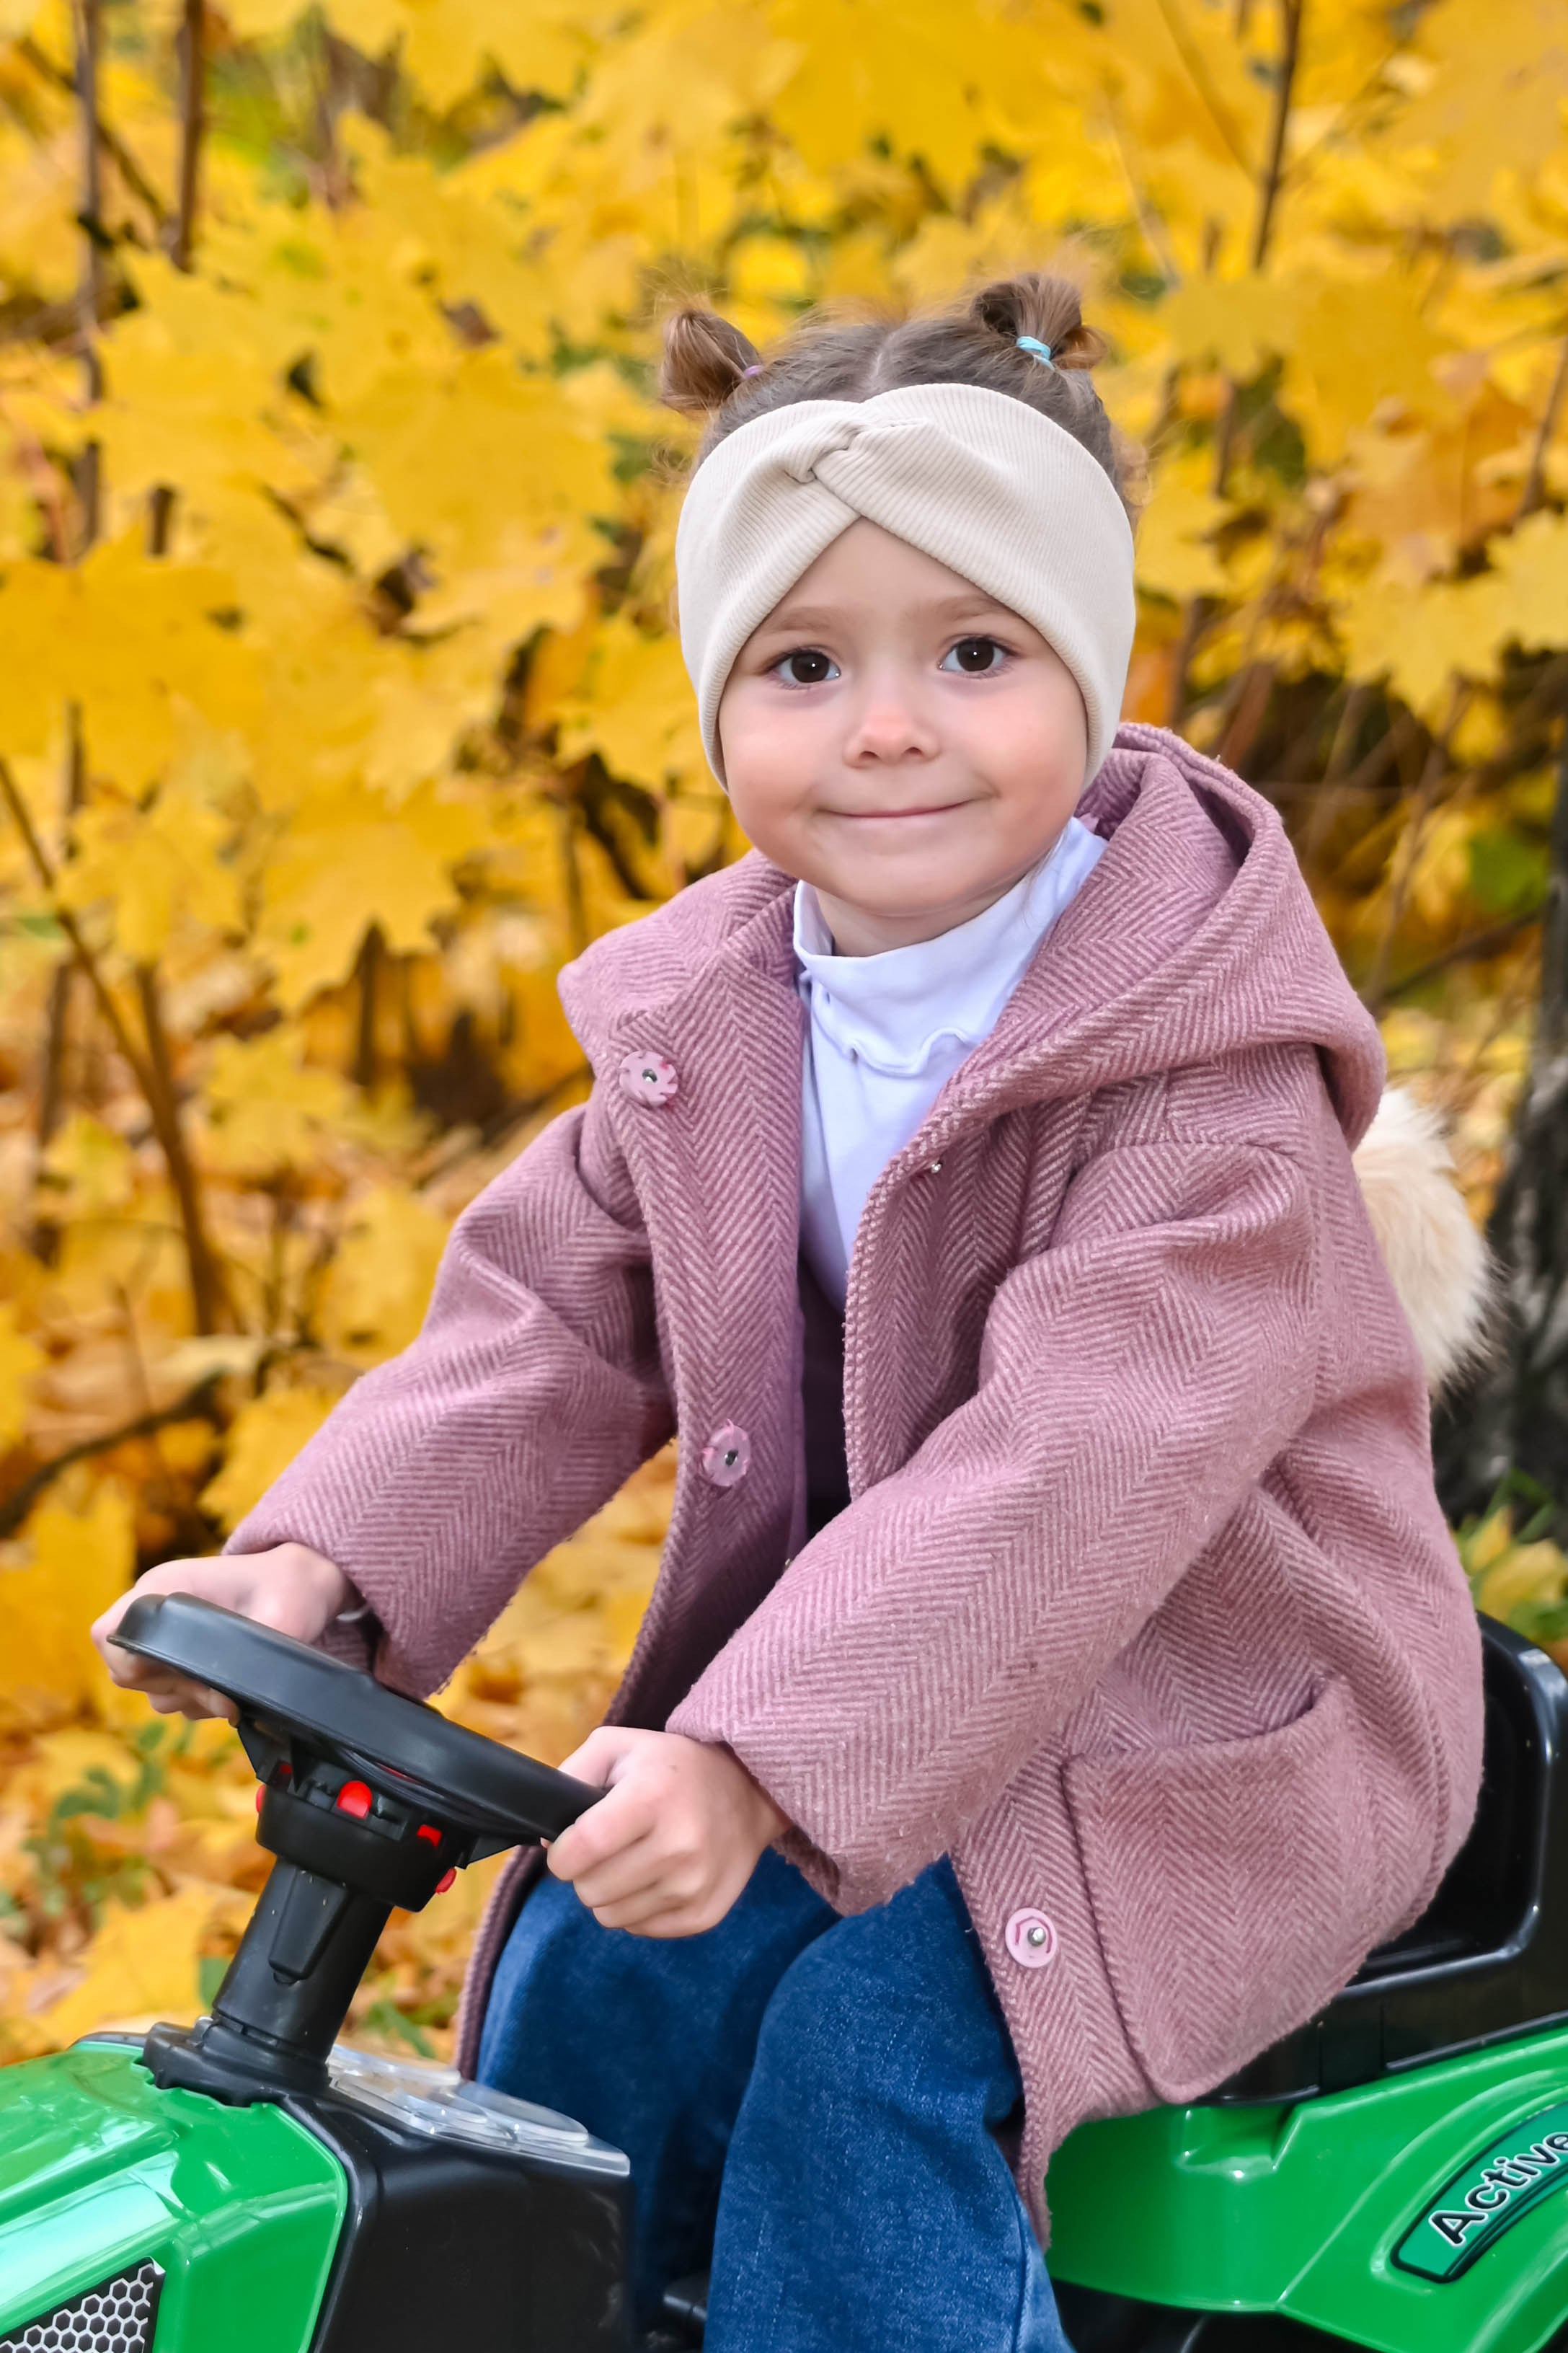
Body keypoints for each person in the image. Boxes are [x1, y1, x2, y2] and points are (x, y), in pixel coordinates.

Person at [94, 274, 1488, 2353]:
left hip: (1209, 1722)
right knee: (593, 1957)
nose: (892, 726)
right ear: (719, 703)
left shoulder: (1209, 1085)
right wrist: (325, 1564)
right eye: (808, 664)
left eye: (977, 652)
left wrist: (750, 1759)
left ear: (1096, 675)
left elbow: (1068, 1474)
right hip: (879, 1702)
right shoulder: (716, 1021)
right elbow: (545, 1322)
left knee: (871, 2056)